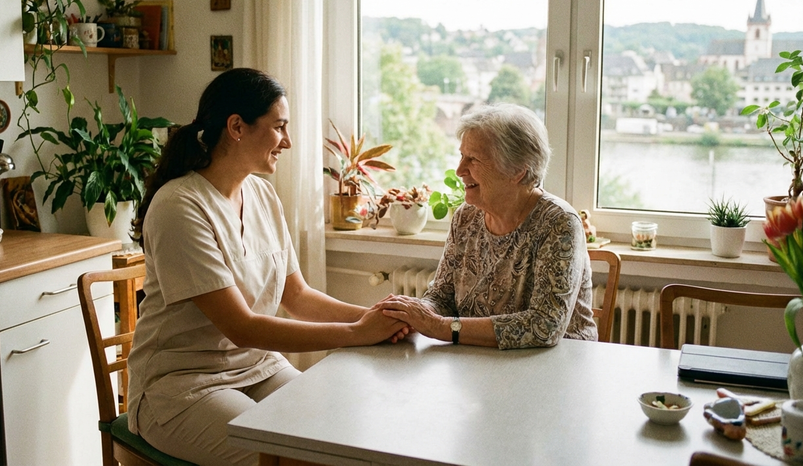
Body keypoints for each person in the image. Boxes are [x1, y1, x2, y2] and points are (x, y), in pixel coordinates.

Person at [127, 68, 409, 466]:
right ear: (236, 127)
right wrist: (357, 333)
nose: (288, 141)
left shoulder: (261, 193)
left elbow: (298, 297)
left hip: (257, 367)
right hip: (182, 386)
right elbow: (241, 327)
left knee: (337, 438)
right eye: (279, 127)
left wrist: (379, 316)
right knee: (292, 458)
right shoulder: (179, 206)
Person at [378, 103, 597, 348]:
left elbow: (544, 326)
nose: (459, 170)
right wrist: (411, 315)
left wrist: (440, 327)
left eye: (473, 159)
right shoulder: (466, 217)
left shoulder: (559, 223)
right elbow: (441, 297)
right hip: (482, 357)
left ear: (517, 171)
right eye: (462, 156)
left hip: (560, 361)